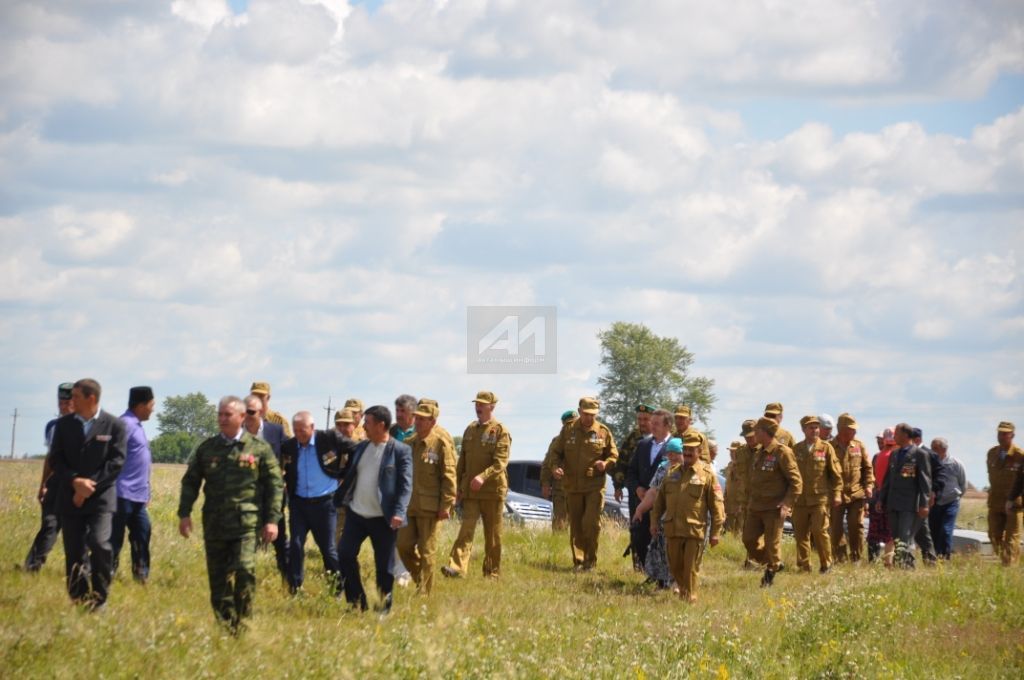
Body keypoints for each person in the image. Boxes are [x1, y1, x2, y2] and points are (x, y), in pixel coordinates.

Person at [178, 396, 283, 633]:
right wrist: (184, 514)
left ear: (242, 417)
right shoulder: (208, 448)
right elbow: (190, 482)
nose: (223, 419)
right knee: (219, 579)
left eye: (228, 415)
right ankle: (226, 626)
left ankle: (244, 622)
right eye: (220, 415)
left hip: (246, 525)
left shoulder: (259, 448)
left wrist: (272, 521)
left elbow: (275, 485)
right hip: (215, 525)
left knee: (245, 570)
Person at [48, 379, 127, 610]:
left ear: (91, 398)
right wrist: (75, 481)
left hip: (101, 499)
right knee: (74, 552)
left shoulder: (114, 425)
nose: (70, 401)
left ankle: (99, 597)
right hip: (70, 498)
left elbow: (116, 462)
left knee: (100, 543)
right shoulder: (63, 425)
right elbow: (56, 459)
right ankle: (80, 600)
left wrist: (88, 486)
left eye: (75, 397)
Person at [336, 405, 412, 614]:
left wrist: (399, 512)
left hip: (384, 519)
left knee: (384, 568)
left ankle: (382, 610)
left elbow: (405, 486)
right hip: (356, 515)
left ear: (380, 425)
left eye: (367, 422)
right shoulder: (361, 448)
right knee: (344, 555)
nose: (363, 426)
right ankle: (357, 603)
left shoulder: (400, 451)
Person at [281, 411, 356, 595]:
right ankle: (295, 589)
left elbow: (354, 448)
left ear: (312, 428)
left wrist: (343, 474)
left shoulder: (327, 438)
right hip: (299, 504)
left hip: (325, 504)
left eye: (303, 430)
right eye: (296, 430)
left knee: (328, 549)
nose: (299, 434)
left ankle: (337, 589)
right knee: (296, 546)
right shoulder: (290, 446)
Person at [443, 391, 511, 578]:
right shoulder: (470, 429)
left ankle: (491, 573)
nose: (478, 407)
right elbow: (462, 462)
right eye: (476, 403)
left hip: (492, 491)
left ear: (492, 407)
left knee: (493, 535)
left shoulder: (500, 431)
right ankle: (456, 568)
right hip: (471, 492)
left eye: (482, 404)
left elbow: (501, 462)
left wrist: (482, 477)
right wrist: (457, 487)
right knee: (466, 530)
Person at [651, 432, 725, 602]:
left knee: (690, 568)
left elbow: (717, 506)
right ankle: (684, 591)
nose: (688, 453)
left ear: (699, 451)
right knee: (675, 566)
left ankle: (689, 598)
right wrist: (654, 522)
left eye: (692, 449)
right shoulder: (671, 472)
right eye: (685, 449)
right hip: (672, 529)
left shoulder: (707, 475)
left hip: (694, 530)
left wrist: (715, 532)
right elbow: (659, 502)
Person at [549, 397, 619, 572]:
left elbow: (613, 454)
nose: (589, 418)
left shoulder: (603, 432)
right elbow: (556, 453)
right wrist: (555, 468)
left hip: (594, 486)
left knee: (591, 523)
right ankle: (579, 561)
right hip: (572, 486)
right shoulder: (568, 430)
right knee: (576, 524)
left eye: (593, 415)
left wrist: (606, 464)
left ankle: (590, 561)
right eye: (586, 414)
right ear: (580, 411)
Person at [396, 402, 457, 594]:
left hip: (431, 508)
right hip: (409, 505)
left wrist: (446, 505)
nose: (418, 422)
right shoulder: (408, 444)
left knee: (427, 550)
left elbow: (449, 477)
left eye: (423, 419)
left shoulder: (440, 445)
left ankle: (425, 593)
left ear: (432, 421)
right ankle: (419, 577)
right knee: (402, 545)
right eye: (417, 418)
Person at [743, 417, 801, 587]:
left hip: (774, 507)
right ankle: (773, 562)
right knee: (748, 540)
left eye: (757, 431)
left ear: (764, 432)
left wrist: (787, 504)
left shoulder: (783, 452)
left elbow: (796, 482)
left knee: (772, 543)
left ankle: (769, 574)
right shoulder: (759, 452)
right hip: (755, 506)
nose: (755, 435)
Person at [23, 382, 74, 572]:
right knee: (49, 525)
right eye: (60, 401)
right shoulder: (52, 426)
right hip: (55, 483)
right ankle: (32, 566)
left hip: (75, 483)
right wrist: (43, 484)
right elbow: (50, 458)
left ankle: (79, 569)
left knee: (79, 531)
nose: (63, 404)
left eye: (67, 401)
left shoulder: (87, 426)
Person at [111, 386, 155, 583]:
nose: (153, 409)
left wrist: (147, 490)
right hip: (121, 494)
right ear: (141, 405)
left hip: (138, 496)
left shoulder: (136, 425)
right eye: (151, 404)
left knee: (142, 534)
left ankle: (141, 575)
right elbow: (110, 456)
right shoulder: (125, 425)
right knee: (113, 539)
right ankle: (106, 574)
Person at [243, 393, 288, 581]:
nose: (246, 415)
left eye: (251, 412)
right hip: (246, 498)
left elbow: (290, 451)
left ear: (261, 412)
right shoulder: (235, 433)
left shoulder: (275, 431)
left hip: (271, 497)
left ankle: (290, 582)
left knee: (280, 542)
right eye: (243, 412)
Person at [791, 415, 842, 573]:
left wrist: (838, 494)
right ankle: (804, 565)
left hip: (819, 499)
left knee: (820, 532)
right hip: (799, 500)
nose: (814, 430)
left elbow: (836, 474)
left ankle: (826, 564)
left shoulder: (826, 448)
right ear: (803, 430)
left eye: (816, 427)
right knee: (800, 534)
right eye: (811, 427)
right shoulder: (796, 449)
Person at [876, 423, 931, 569]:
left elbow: (925, 481)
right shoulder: (895, 454)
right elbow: (887, 479)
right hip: (893, 503)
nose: (894, 437)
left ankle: (905, 566)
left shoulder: (920, 455)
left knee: (905, 536)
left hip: (909, 504)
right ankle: (904, 564)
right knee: (897, 537)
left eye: (897, 434)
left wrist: (924, 504)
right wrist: (881, 499)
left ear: (905, 435)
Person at [632, 437, 683, 589]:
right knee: (661, 549)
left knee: (681, 551)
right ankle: (664, 581)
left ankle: (681, 582)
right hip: (664, 518)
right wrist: (640, 508)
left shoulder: (691, 469)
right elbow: (653, 492)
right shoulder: (663, 469)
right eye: (670, 453)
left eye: (676, 453)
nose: (672, 457)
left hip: (685, 519)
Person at [625, 408, 672, 573]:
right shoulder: (643, 444)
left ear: (667, 425)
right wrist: (637, 488)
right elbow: (631, 471)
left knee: (660, 538)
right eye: (652, 423)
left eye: (657, 423)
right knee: (639, 536)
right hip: (642, 500)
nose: (652, 426)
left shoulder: (674, 446)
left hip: (664, 502)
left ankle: (661, 574)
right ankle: (646, 569)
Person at [830, 413, 874, 563]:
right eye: (851, 429)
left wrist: (869, 485)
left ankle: (856, 557)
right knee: (835, 528)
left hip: (856, 493)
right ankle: (840, 557)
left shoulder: (859, 445)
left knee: (856, 525)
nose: (855, 432)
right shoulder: (829, 447)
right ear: (842, 429)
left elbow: (868, 468)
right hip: (836, 495)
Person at [988, 421, 1023, 565]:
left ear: (1012, 435)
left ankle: (1009, 566)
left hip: (1014, 504)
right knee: (993, 535)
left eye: (1005, 434)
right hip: (995, 501)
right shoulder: (992, 453)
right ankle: (1006, 559)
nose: (1001, 436)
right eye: (999, 433)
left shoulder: (1019, 455)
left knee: (1011, 537)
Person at [909, 427, 944, 564]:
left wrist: (932, 492)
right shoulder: (908, 454)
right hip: (909, 499)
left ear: (917, 439)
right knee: (920, 532)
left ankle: (928, 560)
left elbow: (940, 476)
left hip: (923, 499)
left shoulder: (929, 454)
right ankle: (928, 560)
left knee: (918, 531)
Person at [928, 438, 965, 559]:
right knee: (934, 531)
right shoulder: (930, 463)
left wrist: (956, 496)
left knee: (946, 530)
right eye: (931, 448)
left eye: (935, 449)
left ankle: (945, 556)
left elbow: (962, 484)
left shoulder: (955, 464)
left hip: (950, 502)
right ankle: (936, 556)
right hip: (934, 503)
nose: (932, 451)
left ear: (944, 449)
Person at [541, 410, 577, 532]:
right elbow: (547, 463)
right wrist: (546, 483)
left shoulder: (585, 440)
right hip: (561, 489)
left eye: (574, 423)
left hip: (580, 489)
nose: (571, 426)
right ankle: (558, 548)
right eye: (568, 424)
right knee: (559, 525)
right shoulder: (557, 441)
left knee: (578, 526)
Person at [613, 404, 654, 503]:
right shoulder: (632, 437)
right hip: (635, 487)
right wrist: (618, 487)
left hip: (654, 488)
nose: (642, 423)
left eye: (645, 419)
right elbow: (622, 462)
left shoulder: (661, 436)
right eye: (639, 419)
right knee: (635, 517)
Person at [867, 428, 896, 565]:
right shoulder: (894, 455)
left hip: (878, 496)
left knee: (875, 532)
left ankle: (876, 560)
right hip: (889, 497)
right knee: (890, 533)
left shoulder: (879, 456)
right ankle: (888, 562)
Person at [734, 419, 759, 566]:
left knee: (759, 532)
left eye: (751, 435)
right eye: (746, 436)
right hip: (745, 499)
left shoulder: (766, 450)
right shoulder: (740, 452)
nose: (749, 439)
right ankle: (751, 559)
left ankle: (759, 560)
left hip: (762, 499)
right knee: (747, 533)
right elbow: (739, 476)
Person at [723, 439, 747, 536]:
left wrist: (741, 505)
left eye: (735, 452)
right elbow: (727, 485)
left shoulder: (745, 467)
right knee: (728, 534)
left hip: (740, 508)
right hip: (729, 508)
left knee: (739, 534)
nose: (732, 454)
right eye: (731, 451)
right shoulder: (730, 466)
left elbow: (746, 487)